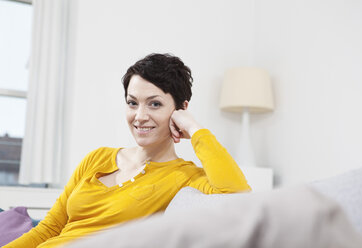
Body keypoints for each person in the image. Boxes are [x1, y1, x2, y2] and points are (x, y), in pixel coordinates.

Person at [4, 53, 251, 248]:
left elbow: (237, 194)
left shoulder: (184, 176)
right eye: (133, 103)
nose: (140, 116)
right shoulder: (97, 158)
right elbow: (49, 228)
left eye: (154, 104)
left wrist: (194, 129)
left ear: (181, 109)